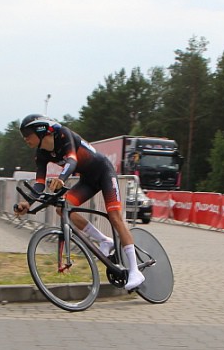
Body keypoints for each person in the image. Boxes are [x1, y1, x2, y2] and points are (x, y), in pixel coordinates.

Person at [13, 115, 144, 291]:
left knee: (114, 216)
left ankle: (135, 271)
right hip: (88, 180)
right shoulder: (41, 154)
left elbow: (72, 160)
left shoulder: (64, 135)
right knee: (62, 208)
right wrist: (27, 203)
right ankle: (104, 240)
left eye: (27, 133)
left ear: (41, 130)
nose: (25, 138)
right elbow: (39, 183)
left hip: (104, 172)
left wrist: (61, 179)